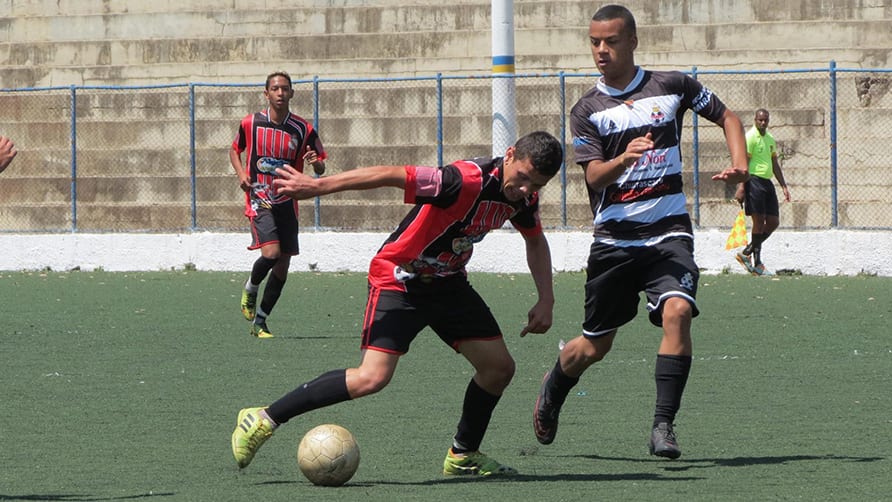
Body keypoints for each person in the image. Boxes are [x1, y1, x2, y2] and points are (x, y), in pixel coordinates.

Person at [230, 130, 564, 476]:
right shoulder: (462, 179)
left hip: (448, 284)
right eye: (522, 177)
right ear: (509, 155)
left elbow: (535, 241)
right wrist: (318, 186)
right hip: (400, 278)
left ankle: (463, 454)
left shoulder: (523, 199)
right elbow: (390, 174)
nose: (524, 189)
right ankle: (264, 418)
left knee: (498, 369)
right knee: (371, 378)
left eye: (536, 185)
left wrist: (547, 298)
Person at [532, 4, 749, 460]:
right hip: (615, 241)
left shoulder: (673, 86)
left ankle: (663, 426)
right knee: (594, 346)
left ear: (632, 41)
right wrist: (623, 159)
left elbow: (729, 117)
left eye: (611, 41)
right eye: (594, 42)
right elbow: (594, 177)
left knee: (678, 312)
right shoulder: (587, 110)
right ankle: (555, 385)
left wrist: (740, 168)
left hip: (669, 234)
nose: (601, 50)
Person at [229, 71, 327, 338]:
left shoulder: (303, 129)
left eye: (285, 89)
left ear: (292, 93)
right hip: (260, 198)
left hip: (288, 201)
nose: (280, 93)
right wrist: (241, 174)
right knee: (271, 254)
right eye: (275, 89)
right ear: (266, 93)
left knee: (283, 265)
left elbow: (320, 166)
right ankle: (251, 287)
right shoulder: (250, 123)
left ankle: (260, 322)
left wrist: (315, 163)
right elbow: (235, 149)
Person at [734, 108, 790, 276]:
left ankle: (747, 252)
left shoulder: (770, 139)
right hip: (754, 181)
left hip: (767, 182)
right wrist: (741, 187)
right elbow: (744, 162)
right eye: (760, 120)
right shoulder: (750, 137)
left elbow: (774, 164)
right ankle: (758, 264)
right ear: (755, 120)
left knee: (773, 221)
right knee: (758, 222)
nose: (763, 123)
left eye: (765, 120)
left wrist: (784, 186)